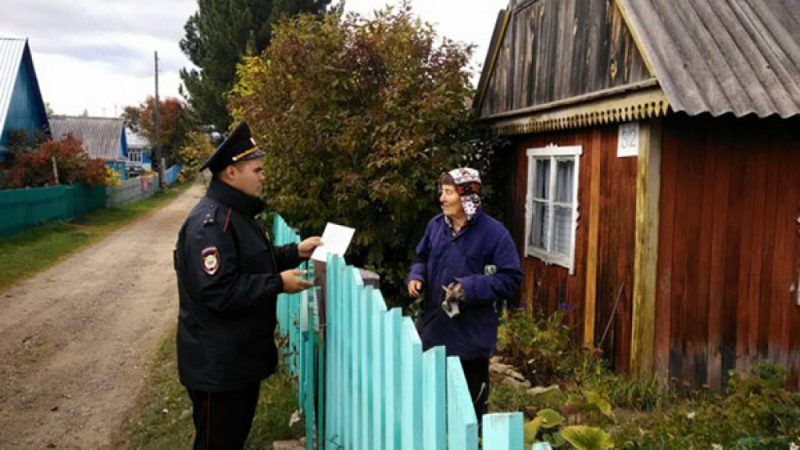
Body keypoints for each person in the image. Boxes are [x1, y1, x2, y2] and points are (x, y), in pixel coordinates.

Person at [173, 122, 322, 449]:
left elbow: (252, 261)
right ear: (230, 173)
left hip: (235, 361)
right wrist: (277, 284)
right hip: (218, 366)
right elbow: (218, 292)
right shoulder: (210, 225)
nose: (262, 176)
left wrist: (295, 252)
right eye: (256, 169)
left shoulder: (235, 213)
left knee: (231, 438)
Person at [407, 167, 522, 418]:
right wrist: (416, 276)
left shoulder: (494, 234)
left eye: (449, 192)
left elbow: (511, 280)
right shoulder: (436, 226)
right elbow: (421, 257)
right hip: (434, 329)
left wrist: (470, 287)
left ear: (467, 197)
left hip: (471, 337)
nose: (442, 198)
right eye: (442, 192)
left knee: (470, 411)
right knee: (432, 407)